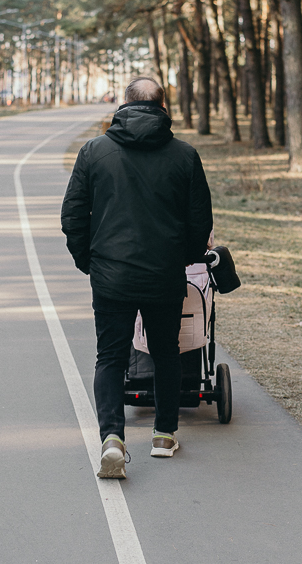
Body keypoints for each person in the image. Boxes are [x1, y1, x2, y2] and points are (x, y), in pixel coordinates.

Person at [61, 77, 213, 479]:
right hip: (164, 275)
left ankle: (112, 438)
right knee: (166, 353)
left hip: (111, 274)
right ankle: (163, 435)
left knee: (110, 356)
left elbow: (72, 216)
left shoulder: (94, 151)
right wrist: (183, 260)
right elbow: (200, 222)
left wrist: (89, 262)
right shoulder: (185, 155)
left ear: (123, 104)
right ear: (163, 107)